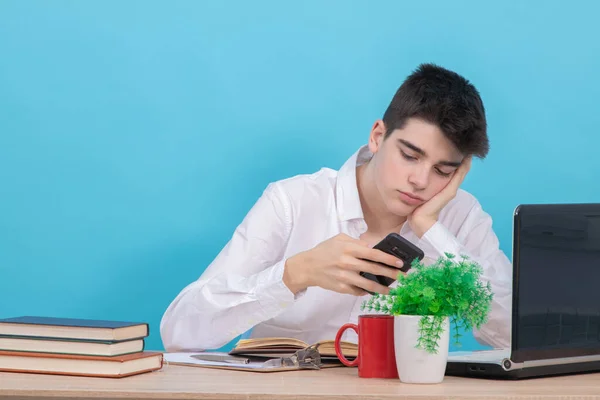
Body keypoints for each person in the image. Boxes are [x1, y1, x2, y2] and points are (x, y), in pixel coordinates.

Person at [160, 63, 512, 352]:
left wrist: (433, 231)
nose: (421, 181)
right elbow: (179, 332)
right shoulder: (292, 202)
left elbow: (518, 338)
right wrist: (294, 274)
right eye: (409, 155)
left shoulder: (460, 216)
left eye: (442, 170)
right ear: (377, 136)